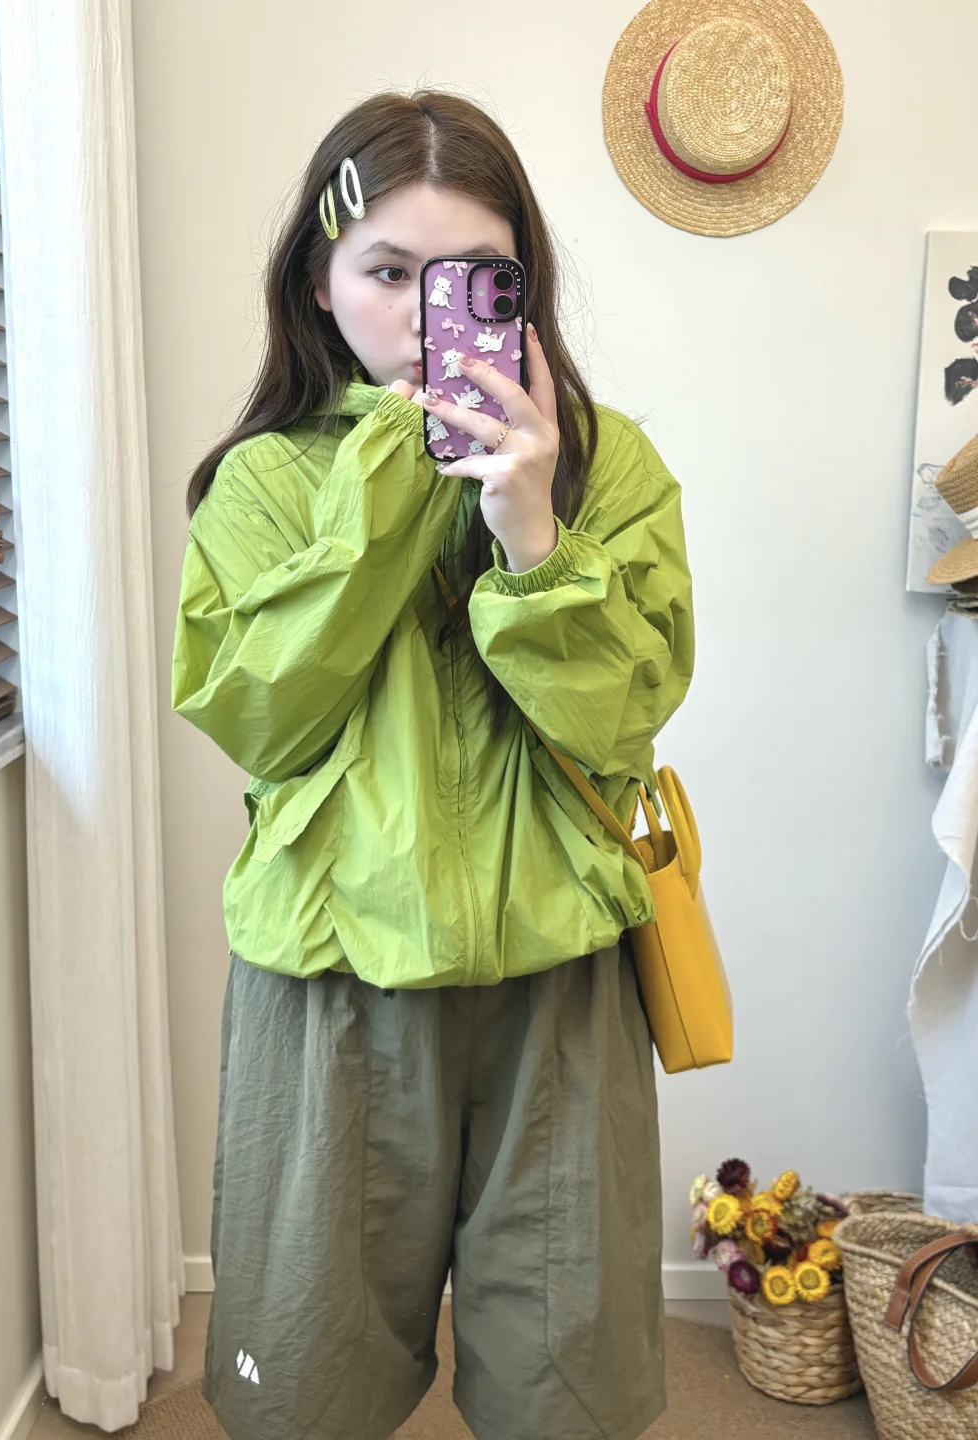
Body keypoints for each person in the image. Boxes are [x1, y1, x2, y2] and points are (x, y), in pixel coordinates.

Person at [171, 88, 695, 1440]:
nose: (425, 312)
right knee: (305, 1373)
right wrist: (396, 480)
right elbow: (266, 719)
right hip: (332, 975)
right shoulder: (266, 481)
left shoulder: (608, 469)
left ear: (525, 284)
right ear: (320, 280)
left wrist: (535, 539)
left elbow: (625, 722)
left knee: (568, 1381)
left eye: (472, 275)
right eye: (388, 271)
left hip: (561, 974)